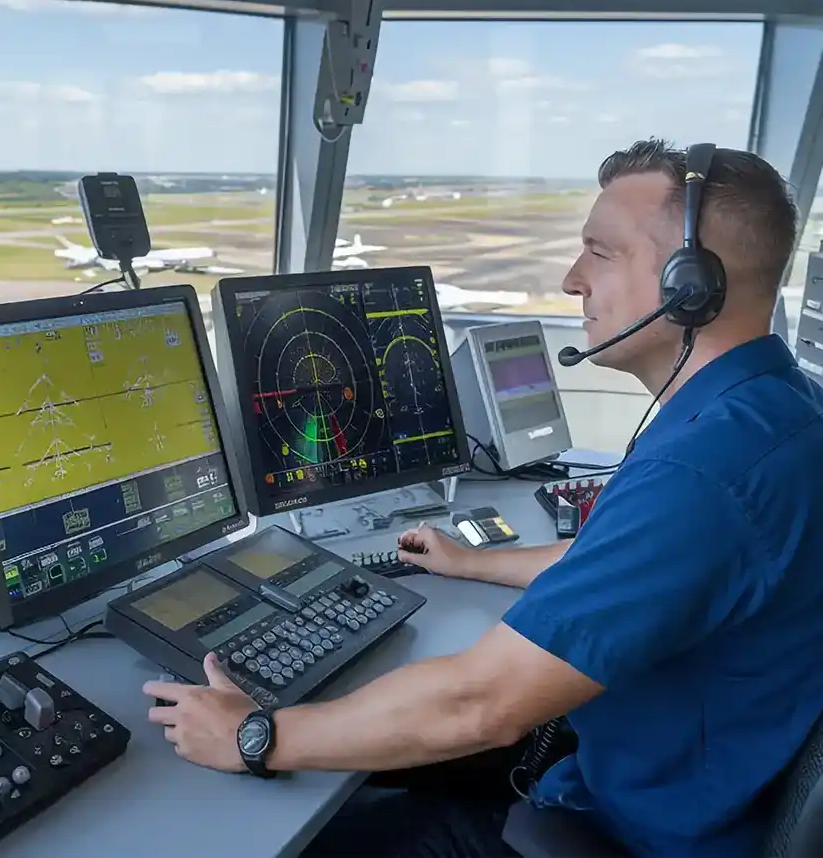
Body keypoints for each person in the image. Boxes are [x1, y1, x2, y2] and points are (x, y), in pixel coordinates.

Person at [143, 139, 823, 857]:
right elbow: (639, 565)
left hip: (628, 831)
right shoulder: (778, 411)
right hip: (672, 782)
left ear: (691, 285)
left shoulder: (702, 475)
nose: (571, 279)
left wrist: (254, 735)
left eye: (599, 251)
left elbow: (482, 702)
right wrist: (474, 563)